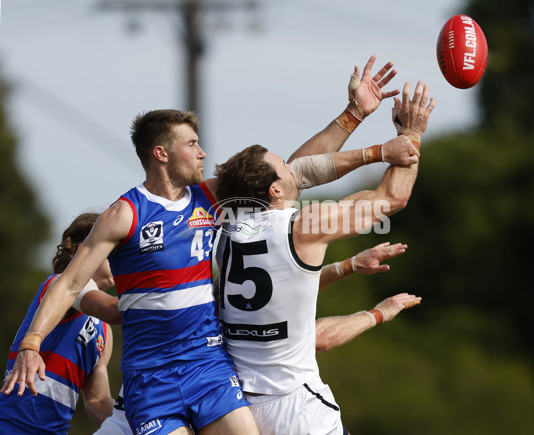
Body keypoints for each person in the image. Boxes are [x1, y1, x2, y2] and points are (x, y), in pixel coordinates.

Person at [1, 55, 403, 435]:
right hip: (151, 380)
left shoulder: (209, 199)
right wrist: (31, 344)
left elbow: (288, 173)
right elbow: (68, 284)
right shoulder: (126, 213)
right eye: (191, 144)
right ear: (161, 154)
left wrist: (354, 115)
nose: (203, 152)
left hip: (208, 367)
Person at [212, 80, 434, 434]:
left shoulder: (221, 230)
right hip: (299, 412)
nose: (295, 167)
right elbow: (392, 198)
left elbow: (301, 170)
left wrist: (355, 114)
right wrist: (412, 133)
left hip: (236, 409)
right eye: (284, 165)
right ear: (275, 189)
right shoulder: (304, 225)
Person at [78, 241, 420, 435]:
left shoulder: (197, 304)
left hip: (141, 415)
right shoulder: (195, 305)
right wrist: (376, 313)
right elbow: (315, 333)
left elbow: (285, 295)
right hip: (279, 410)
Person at [0, 213, 115, 435]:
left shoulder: (105, 332)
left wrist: (136, 420)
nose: (123, 260)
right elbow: (112, 308)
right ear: (88, 250)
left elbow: (97, 401)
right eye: (114, 251)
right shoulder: (59, 287)